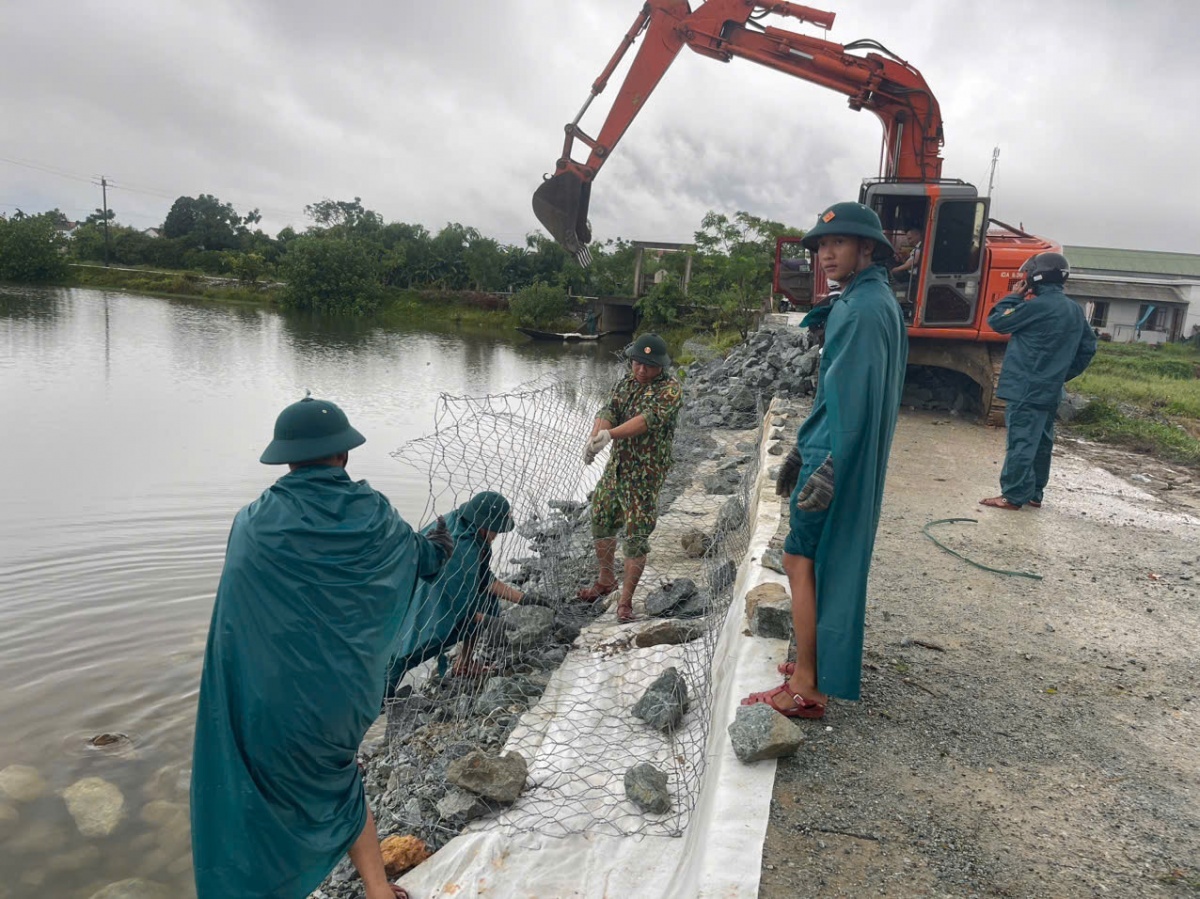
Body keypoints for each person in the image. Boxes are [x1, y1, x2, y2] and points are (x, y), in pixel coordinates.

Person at [190, 395, 453, 899]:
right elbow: (420, 561)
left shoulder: (254, 522)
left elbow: (235, 621)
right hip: (342, 700)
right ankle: (379, 891)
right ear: (344, 455)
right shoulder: (374, 515)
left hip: (266, 702)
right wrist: (439, 545)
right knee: (339, 781)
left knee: (255, 799)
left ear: (286, 458)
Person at [744, 202, 907, 718]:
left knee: (799, 559)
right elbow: (836, 396)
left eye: (838, 243)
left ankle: (808, 686)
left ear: (868, 248)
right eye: (820, 246)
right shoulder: (872, 300)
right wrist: (802, 447)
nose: (826, 254)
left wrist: (829, 464)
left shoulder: (859, 310)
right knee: (817, 560)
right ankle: (812, 661)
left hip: (834, 455)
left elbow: (853, 403)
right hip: (828, 447)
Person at [578, 333, 684, 622]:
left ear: (661, 366)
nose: (641, 370)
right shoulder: (625, 383)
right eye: (637, 363)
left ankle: (626, 600)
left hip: (644, 477)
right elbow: (609, 409)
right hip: (617, 470)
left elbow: (646, 421)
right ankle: (605, 580)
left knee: (636, 535)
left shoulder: (670, 391)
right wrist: (595, 437)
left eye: (648, 366)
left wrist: (610, 435)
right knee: (601, 516)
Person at [980, 252, 1096, 510]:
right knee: (1042, 442)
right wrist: (1061, 374)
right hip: (1050, 390)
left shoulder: (1034, 307)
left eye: (1028, 274)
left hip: (1025, 389)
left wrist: (1014, 296)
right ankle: (1034, 494)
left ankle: (1012, 495)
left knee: (1021, 441)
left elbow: (997, 321)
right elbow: (1088, 348)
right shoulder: (1074, 310)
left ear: (1036, 276)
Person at [385, 491, 527, 692]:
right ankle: (375, 708)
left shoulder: (464, 522)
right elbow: (459, 609)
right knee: (404, 652)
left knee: (486, 601)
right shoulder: (464, 549)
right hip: (420, 599)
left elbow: (484, 579)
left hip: (410, 588)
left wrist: (526, 599)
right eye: (496, 531)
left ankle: (465, 663)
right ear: (485, 527)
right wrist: (487, 621)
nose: (496, 536)